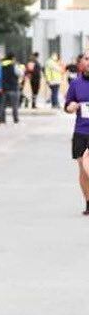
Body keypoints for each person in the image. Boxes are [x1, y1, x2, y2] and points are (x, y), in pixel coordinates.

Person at [64, 50, 89, 214]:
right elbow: (67, 106)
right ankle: (88, 202)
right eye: (87, 58)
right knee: (83, 169)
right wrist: (71, 107)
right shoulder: (75, 84)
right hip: (81, 131)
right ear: (81, 62)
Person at [0, 52, 21, 124]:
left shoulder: (2, 64)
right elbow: (20, 73)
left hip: (4, 88)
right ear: (13, 58)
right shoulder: (14, 65)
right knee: (15, 106)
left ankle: (3, 120)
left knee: (3, 106)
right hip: (13, 88)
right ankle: (16, 120)